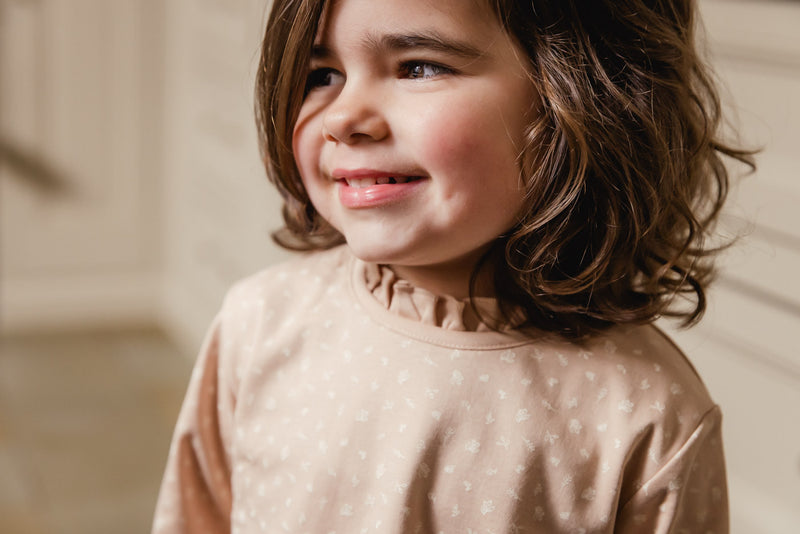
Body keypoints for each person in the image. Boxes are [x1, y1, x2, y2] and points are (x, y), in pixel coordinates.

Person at [153, 0, 754, 532]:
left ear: (582, 95)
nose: (342, 117)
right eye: (321, 75)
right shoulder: (259, 323)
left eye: (418, 66)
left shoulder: (649, 414)